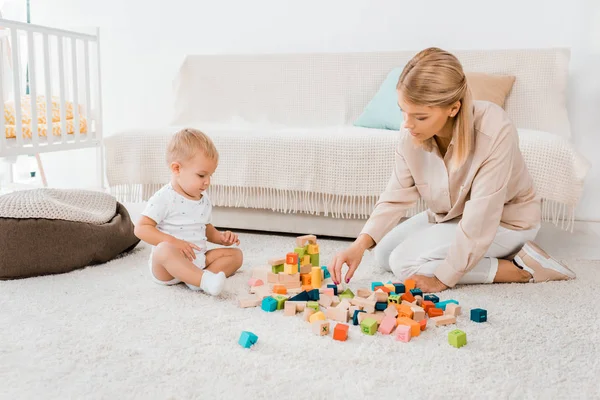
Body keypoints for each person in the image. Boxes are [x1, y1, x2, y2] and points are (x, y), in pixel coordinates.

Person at [328, 47, 575, 293]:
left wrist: (442, 279)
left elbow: (481, 219)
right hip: (451, 216)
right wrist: (358, 246)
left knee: (403, 263)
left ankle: (521, 268)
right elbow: (395, 197)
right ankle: (491, 259)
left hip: (505, 222)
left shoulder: (494, 129)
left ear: (453, 109)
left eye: (420, 117)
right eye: (403, 111)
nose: (407, 124)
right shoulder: (410, 135)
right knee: (382, 254)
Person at [134, 128, 243, 296]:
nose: (207, 182)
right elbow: (141, 228)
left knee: (236, 256)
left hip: (197, 259)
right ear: (177, 169)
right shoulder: (165, 197)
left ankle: (197, 280)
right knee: (163, 249)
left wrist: (221, 238)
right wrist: (173, 242)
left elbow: (205, 228)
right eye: (201, 175)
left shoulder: (203, 198)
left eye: (210, 175)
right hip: (168, 268)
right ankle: (203, 280)